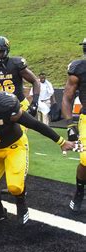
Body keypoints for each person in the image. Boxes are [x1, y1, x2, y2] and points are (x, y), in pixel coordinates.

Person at [0, 72, 77, 225]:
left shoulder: (4, 105)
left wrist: (60, 141)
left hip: (15, 147)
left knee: (15, 187)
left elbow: (35, 124)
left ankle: (22, 204)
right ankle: (0, 213)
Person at [0, 36, 41, 117]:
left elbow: (35, 81)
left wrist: (35, 103)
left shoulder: (16, 64)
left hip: (19, 104)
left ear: (6, 51)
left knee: (18, 129)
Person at [61, 38, 86, 212]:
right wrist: (70, 124)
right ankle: (79, 192)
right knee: (85, 160)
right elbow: (67, 97)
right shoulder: (79, 69)